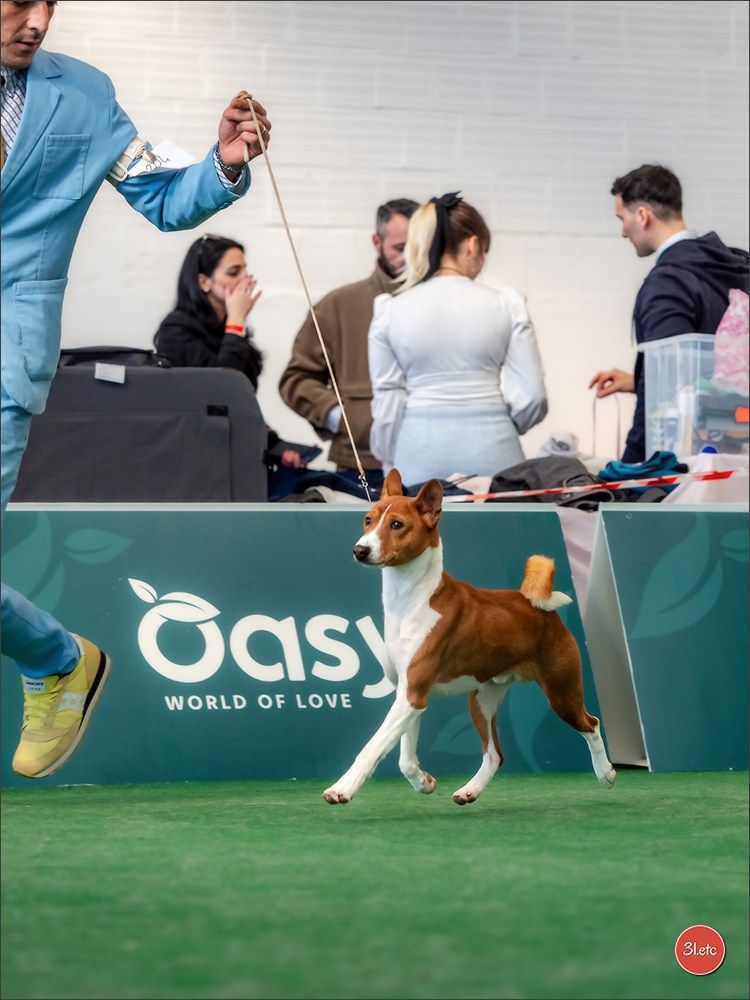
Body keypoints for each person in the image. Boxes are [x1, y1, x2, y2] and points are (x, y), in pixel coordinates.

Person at [1, 0, 271, 779]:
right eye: (20, 1)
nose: (39, 21)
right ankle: (59, 661)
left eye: (51, 3)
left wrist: (222, 163)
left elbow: (161, 195)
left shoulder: (83, 97)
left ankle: (55, 662)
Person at [367, 192, 548, 486]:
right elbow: (532, 396)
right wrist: (502, 424)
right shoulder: (508, 304)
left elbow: (387, 403)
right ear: (474, 244)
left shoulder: (389, 310)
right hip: (497, 455)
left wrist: (393, 455)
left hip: (416, 455)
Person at [589, 164, 749, 463]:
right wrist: (638, 378)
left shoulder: (668, 282)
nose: (623, 232)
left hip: (691, 467)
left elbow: (662, 401)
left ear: (642, 216)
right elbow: (721, 372)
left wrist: (632, 468)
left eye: (622, 218)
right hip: (739, 458)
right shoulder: (737, 267)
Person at [279, 198, 419, 488]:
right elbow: (296, 379)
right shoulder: (337, 307)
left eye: (418, 248)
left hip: (435, 462)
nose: (410, 258)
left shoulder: (443, 304)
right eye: (400, 248)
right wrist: (342, 417)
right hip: (363, 465)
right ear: (376, 242)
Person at [153, 234, 307, 482]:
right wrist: (236, 323)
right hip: (198, 465)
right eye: (234, 272)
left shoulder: (229, 327)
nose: (245, 280)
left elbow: (240, 400)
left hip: (234, 455)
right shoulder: (177, 330)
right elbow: (219, 391)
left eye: (245, 270)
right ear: (204, 281)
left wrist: (272, 442)